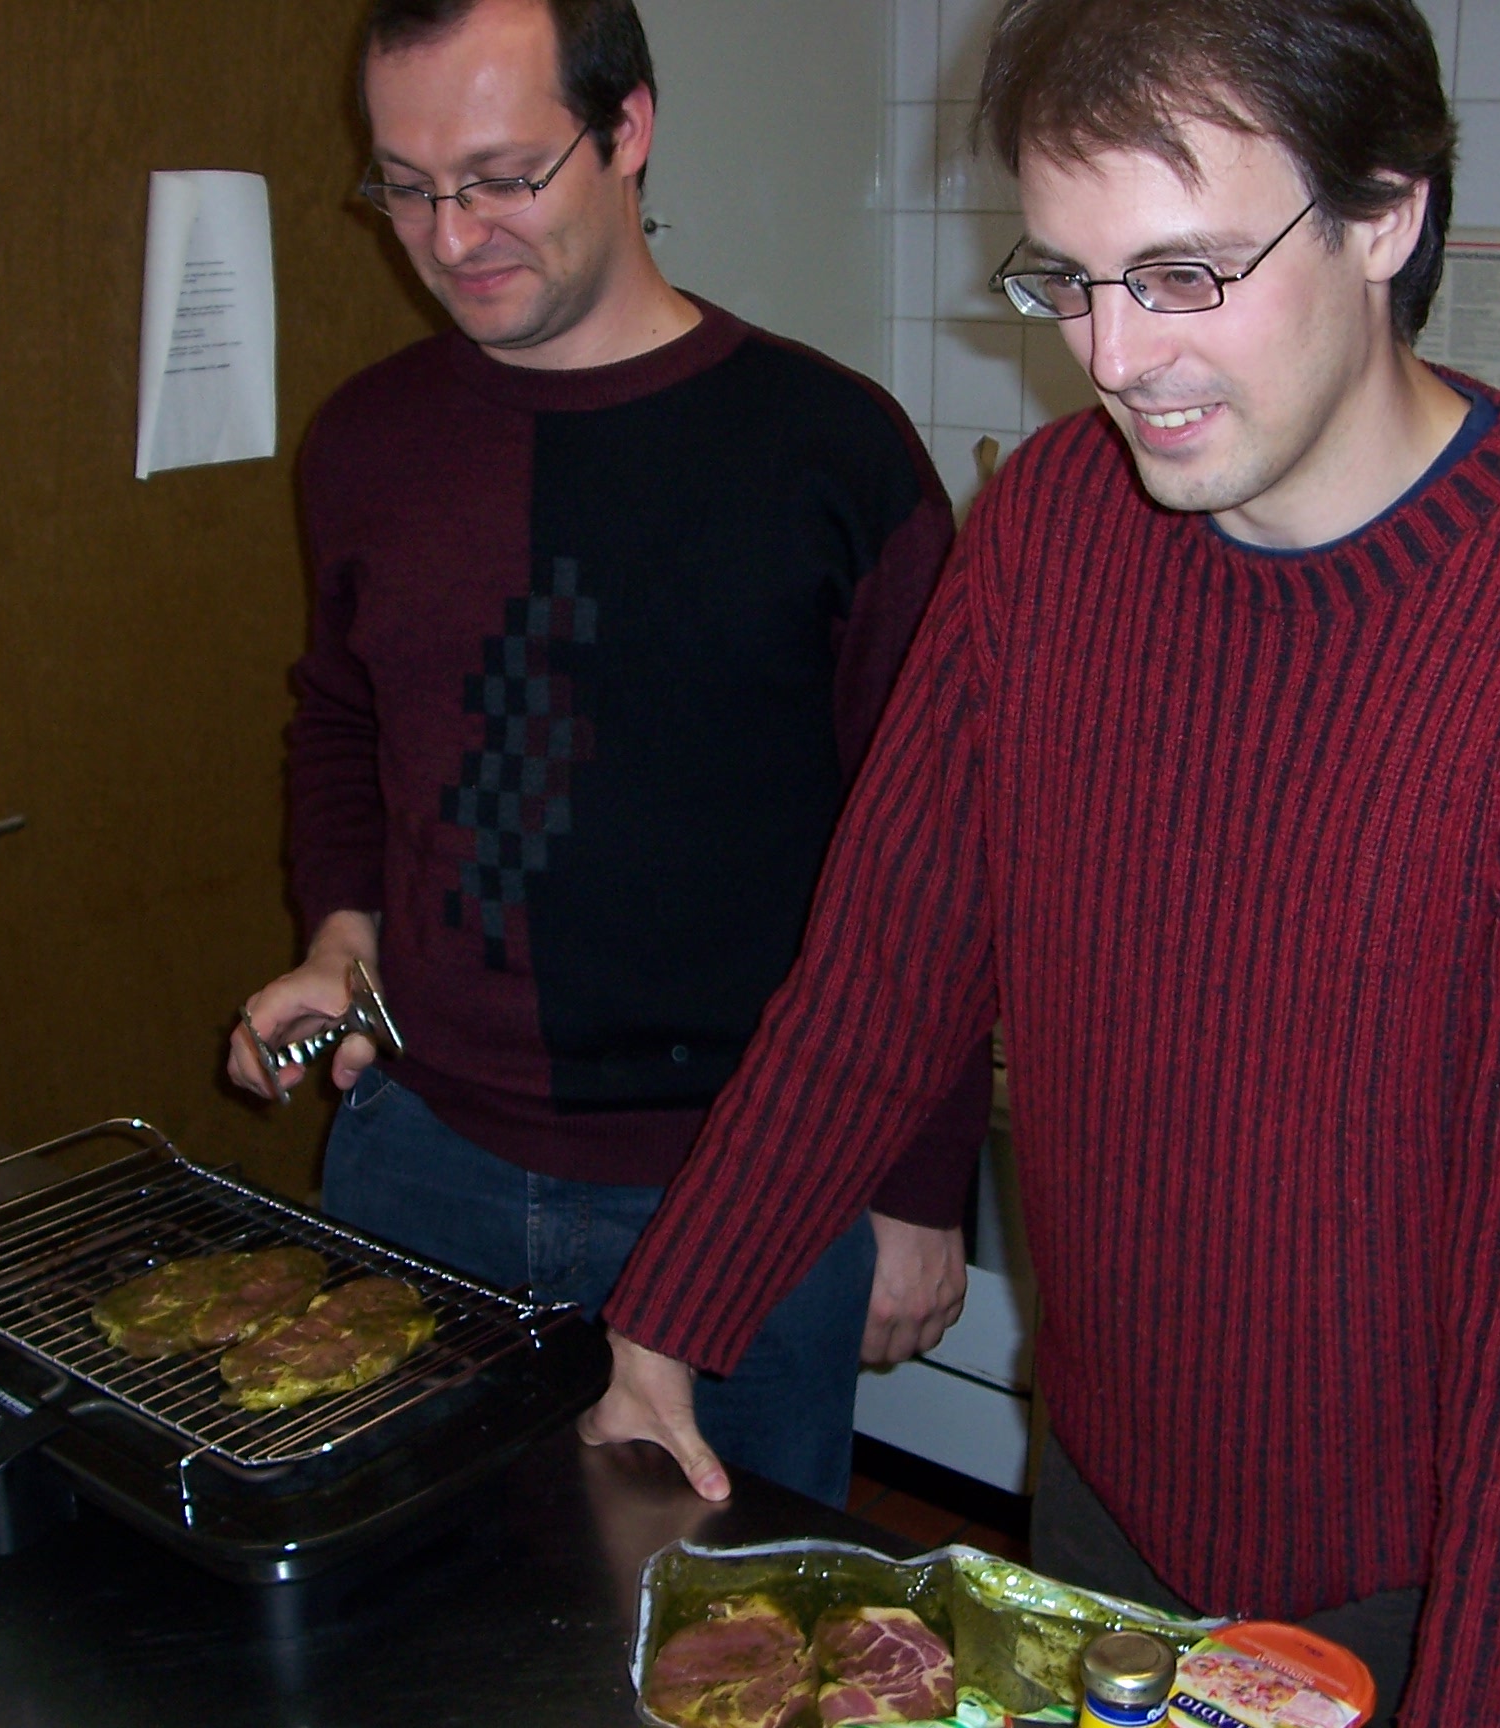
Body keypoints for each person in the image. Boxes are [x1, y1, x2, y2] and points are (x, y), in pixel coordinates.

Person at [581, 0, 1500, 1720]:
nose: (1113, 355)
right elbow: (880, 977)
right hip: (1103, 1496)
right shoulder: (1051, 530)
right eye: (1071, 279)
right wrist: (669, 1323)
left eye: (1184, 274)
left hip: (1416, 1574)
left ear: (1387, 215)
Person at [228, 0, 988, 1510]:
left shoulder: (829, 450)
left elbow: (943, 857)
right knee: (421, 1599)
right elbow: (345, 719)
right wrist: (341, 936)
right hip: (418, 1159)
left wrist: (918, 1187)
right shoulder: (366, 442)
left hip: (750, 1187)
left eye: (502, 177)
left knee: (729, 1617)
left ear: (628, 128)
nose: (451, 238)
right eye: (406, 188)